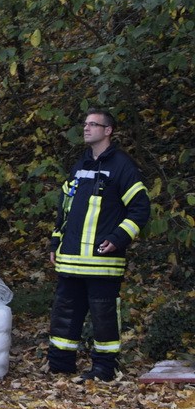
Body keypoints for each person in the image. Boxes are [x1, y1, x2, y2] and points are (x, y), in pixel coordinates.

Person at [47, 108, 150, 382]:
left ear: (108, 131)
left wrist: (118, 239)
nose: (87, 128)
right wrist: (55, 241)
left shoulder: (122, 166)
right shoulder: (80, 165)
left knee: (104, 317)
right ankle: (60, 365)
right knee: (64, 313)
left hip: (103, 261)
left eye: (94, 124)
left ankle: (104, 369)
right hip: (70, 257)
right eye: (85, 124)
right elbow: (64, 208)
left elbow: (140, 209)